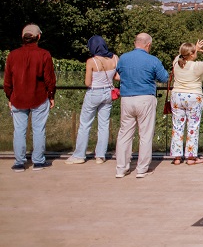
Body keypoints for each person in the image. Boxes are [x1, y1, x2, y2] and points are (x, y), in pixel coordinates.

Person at [115, 33, 170, 179]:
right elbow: (165, 78)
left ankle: (121, 168)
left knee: (124, 134)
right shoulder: (153, 60)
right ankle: (142, 169)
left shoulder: (123, 58)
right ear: (148, 45)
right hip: (145, 97)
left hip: (126, 98)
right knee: (145, 134)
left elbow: (118, 74)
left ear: (135, 43)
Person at [4, 24, 56, 172]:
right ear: (38, 37)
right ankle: (38, 161)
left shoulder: (12, 55)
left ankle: (19, 162)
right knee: (39, 129)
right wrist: (51, 95)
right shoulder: (44, 54)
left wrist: (10, 96)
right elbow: (49, 79)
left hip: (18, 97)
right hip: (39, 97)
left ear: (23, 37)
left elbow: (7, 80)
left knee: (19, 130)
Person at [169, 40, 203, 165]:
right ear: (192, 54)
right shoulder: (198, 65)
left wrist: (195, 49)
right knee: (193, 126)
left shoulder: (176, 63)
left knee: (177, 126)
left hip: (177, 95)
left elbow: (180, 56)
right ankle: (191, 156)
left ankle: (177, 156)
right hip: (194, 96)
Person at [66, 36, 118, 164]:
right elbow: (117, 77)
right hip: (108, 93)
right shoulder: (115, 58)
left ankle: (79, 155)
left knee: (85, 124)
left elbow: (87, 82)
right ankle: (100, 155)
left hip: (94, 93)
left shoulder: (91, 61)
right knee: (104, 125)